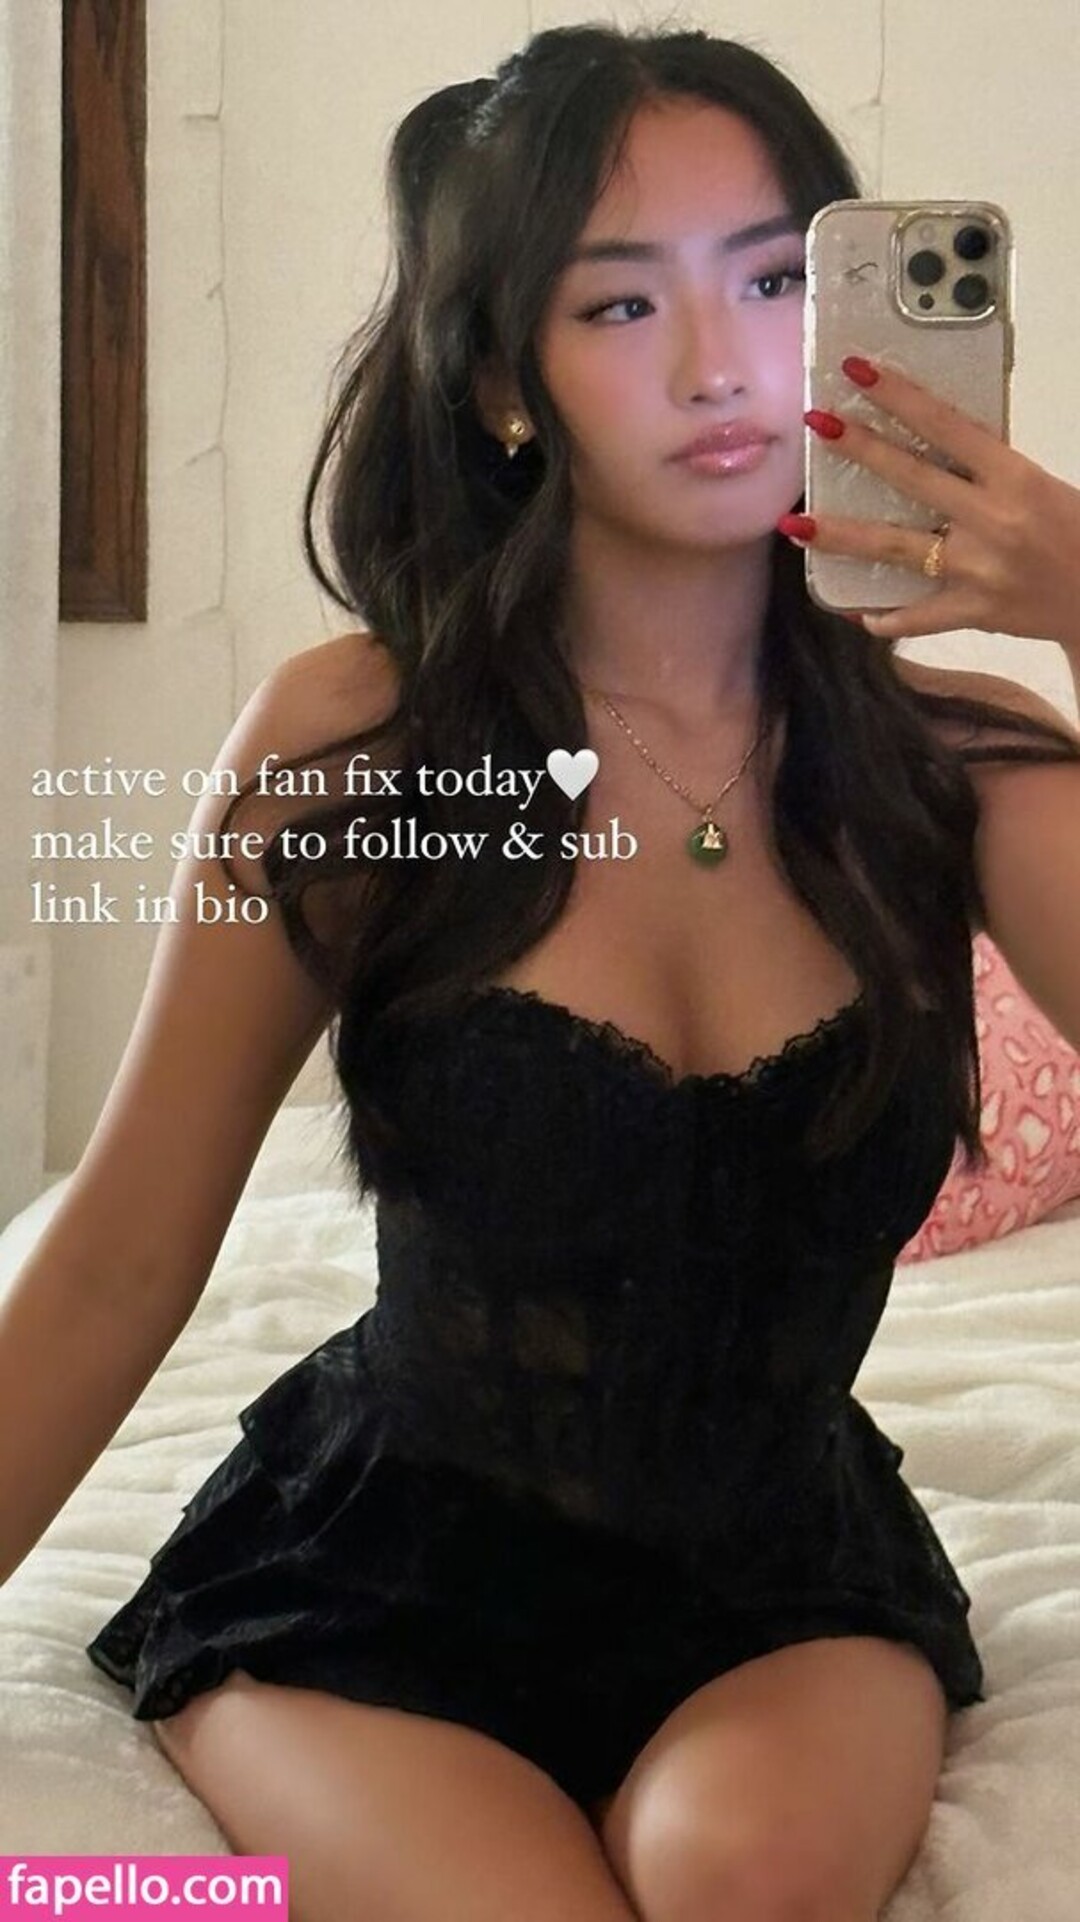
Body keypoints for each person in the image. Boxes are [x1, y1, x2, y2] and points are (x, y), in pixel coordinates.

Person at [3, 21, 1079, 1922]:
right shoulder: (360, 746)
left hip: (784, 1586)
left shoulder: (956, 771)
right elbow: (118, 1253)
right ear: (505, 378)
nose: (719, 363)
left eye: (774, 280)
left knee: (738, 1887)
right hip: (378, 1574)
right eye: (620, 304)